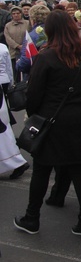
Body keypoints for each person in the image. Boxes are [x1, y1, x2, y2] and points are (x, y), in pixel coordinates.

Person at [14, 10, 81, 238]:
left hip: (53, 119)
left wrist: (34, 115)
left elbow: (34, 93)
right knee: (80, 166)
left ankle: (32, 218)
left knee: (41, 168)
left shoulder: (46, 57)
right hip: (80, 115)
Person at [0, 39, 28, 179]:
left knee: (3, 133)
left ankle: (17, 162)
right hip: (2, 85)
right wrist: (10, 85)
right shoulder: (2, 47)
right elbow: (9, 71)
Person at [5, 5, 30, 81]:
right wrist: (17, 46)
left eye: (18, 13)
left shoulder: (27, 23)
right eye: (14, 13)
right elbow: (8, 38)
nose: (16, 15)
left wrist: (24, 45)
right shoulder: (8, 25)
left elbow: (30, 34)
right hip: (14, 52)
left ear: (21, 14)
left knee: (26, 72)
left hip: (26, 51)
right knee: (15, 72)